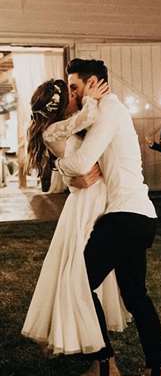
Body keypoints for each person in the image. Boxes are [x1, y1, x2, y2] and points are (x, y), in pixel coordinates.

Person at [55, 59, 161, 376]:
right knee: (135, 295)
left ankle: (103, 368)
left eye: (75, 87)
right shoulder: (100, 113)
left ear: (93, 83)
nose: (71, 94)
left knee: (77, 283)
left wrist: (62, 167)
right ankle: (158, 373)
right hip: (136, 215)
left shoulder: (109, 112)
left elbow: (79, 163)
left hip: (125, 216)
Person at [22, 78, 130, 360]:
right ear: (57, 104)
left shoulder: (63, 125)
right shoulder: (54, 130)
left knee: (93, 263)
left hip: (96, 194)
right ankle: (73, 329)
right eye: (69, 92)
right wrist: (92, 98)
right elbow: (86, 120)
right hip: (86, 201)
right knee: (78, 266)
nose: (75, 95)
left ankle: (91, 325)